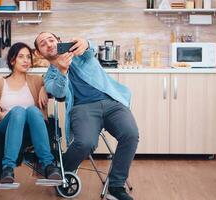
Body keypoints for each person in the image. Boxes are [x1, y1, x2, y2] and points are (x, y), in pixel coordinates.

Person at [34, 32, 139, 200]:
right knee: (85, 143)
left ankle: (116, 186)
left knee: (131, 135)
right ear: (39, 53)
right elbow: (59, 92)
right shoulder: (50, 76)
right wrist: (62, 71)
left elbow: (90, 49)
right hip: (83, 109)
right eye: (43, 43)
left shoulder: (79, 54)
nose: (49, 44)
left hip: (112, 102)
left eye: (51, 40)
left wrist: (86, 43)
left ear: (59, 41)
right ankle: (59, 171)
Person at [0, 42, 61, 183]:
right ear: (12, 60)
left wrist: (44, 87)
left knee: (33, 110)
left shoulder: (37, 80)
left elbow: (57, 80)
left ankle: (48, 165)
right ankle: (8, 167)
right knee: (18, 111)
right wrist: (1, 115)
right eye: (21, 56)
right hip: (6, 126)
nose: (26, 60)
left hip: (31, 126)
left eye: (28, 57)